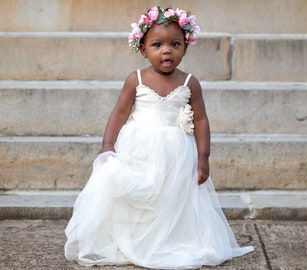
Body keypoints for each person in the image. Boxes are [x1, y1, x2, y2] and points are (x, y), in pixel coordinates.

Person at [64, 6, 254, 269]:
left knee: (172, 196)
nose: (166, 50)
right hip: (138, 146)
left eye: (175, 44)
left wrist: (203, 156)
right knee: (140, 192)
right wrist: (108, 145)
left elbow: (200, 119)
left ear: (185, 48)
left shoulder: (190, 82)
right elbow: (119, 113)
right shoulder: (136, 79)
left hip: (177, 151)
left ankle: (169, 239)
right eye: (157, 44)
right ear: (143, 50)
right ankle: (137, 238)